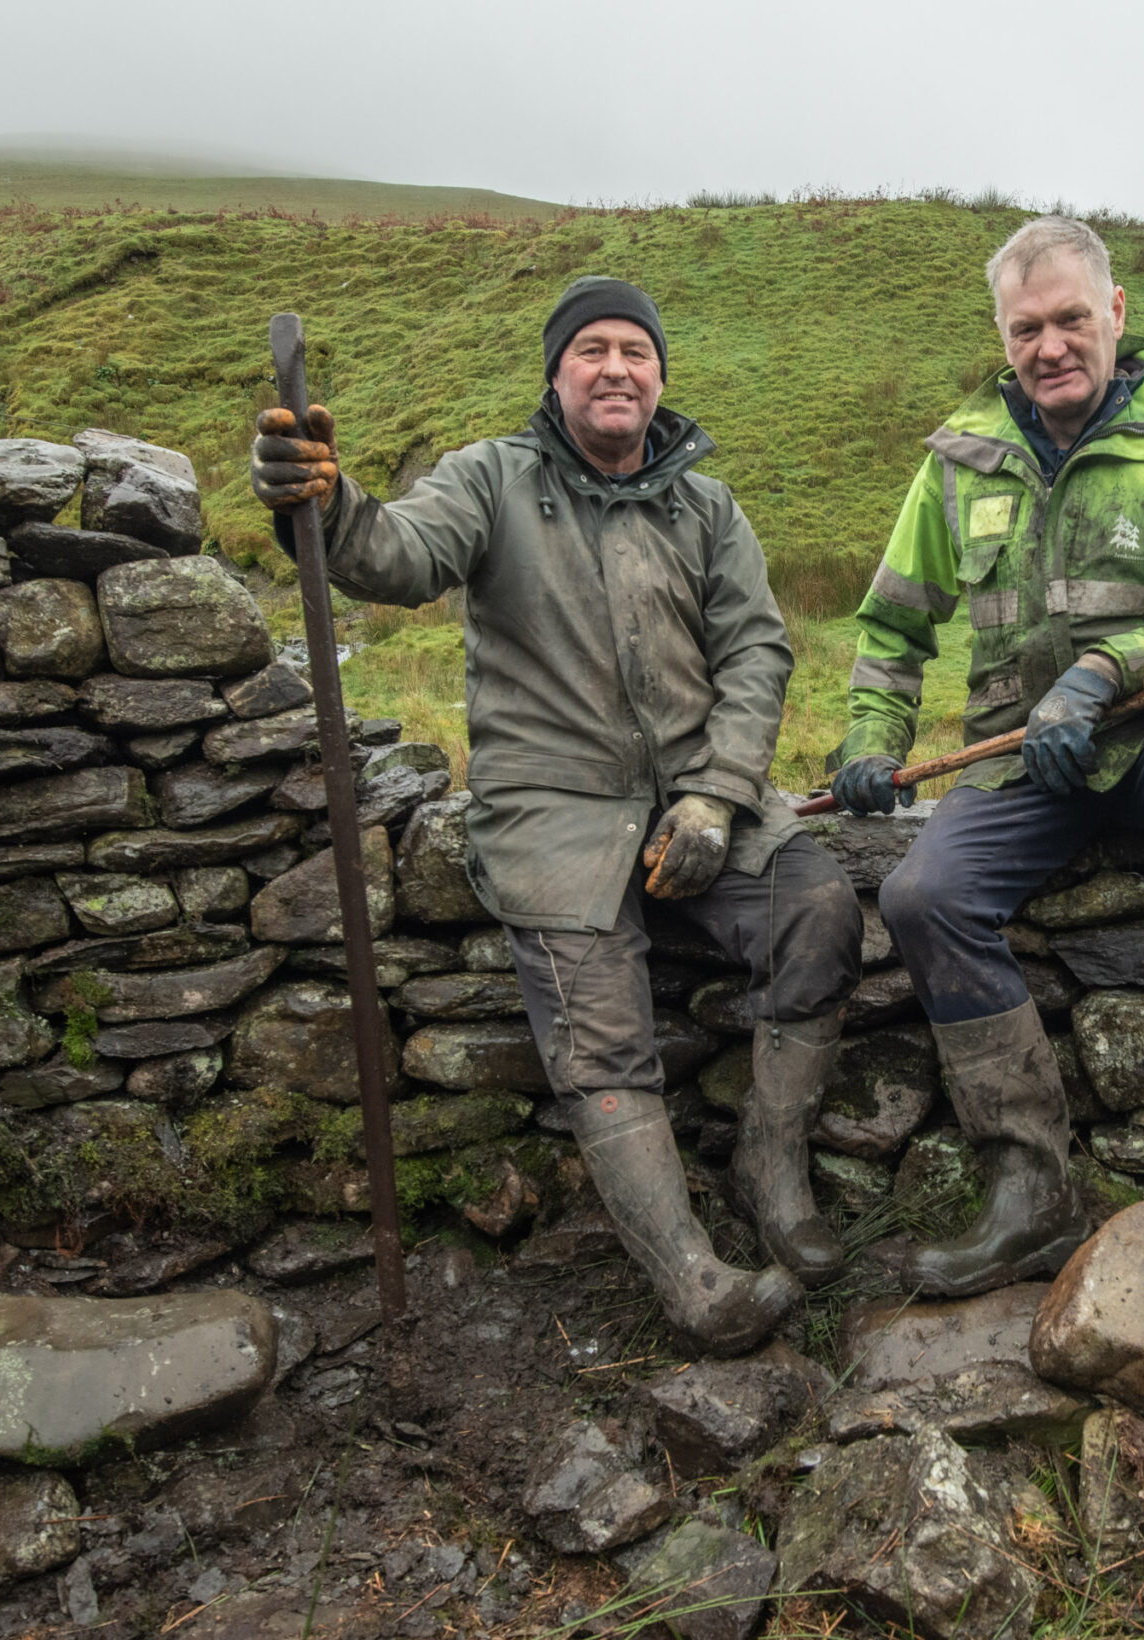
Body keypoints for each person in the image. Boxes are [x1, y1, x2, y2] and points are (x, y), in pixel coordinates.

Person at [251, 276, 862, 1354]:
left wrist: (718, 795)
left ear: (661, 375)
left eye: (635, 349)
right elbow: (394, 557)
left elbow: (758, 650)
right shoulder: (492, 477)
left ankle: (773, 1167)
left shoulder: (705, 506)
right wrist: (321, 498)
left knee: (818, 900)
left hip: (693, 803)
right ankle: (690, 1278)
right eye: (591, 350)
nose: (615, 366)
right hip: (555, 818)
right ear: (555, 374)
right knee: (601, 1031)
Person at [828, 216, 1144, 1298]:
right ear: (1001, 334)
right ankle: (1029, 1190)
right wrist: (870, 747)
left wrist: (1106, 673)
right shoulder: (959, 463)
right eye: (1026, 328)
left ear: (1114, 314)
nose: (1050, 345)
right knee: (922, 893)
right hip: (1019, 772)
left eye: (1071, 319)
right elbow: (891, 627)